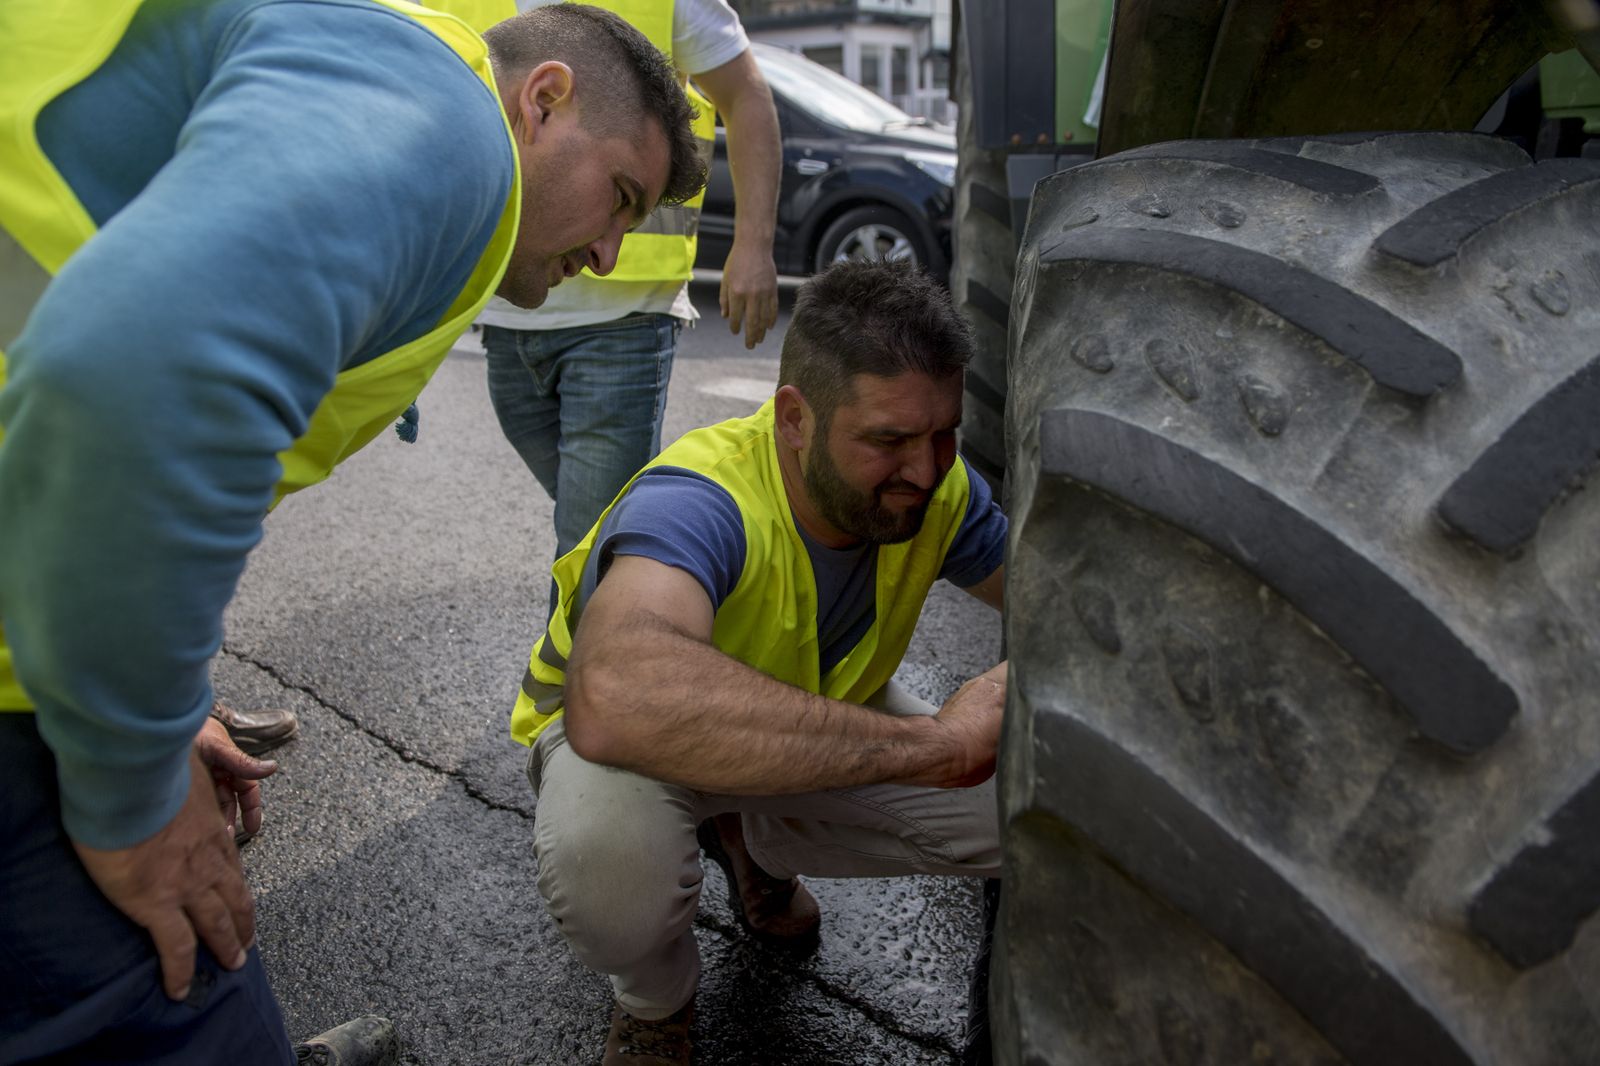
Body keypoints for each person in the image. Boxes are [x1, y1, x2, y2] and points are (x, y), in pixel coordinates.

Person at [0, 2, 704, 1063]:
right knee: (190, 1003)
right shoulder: (449, 124)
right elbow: (137, 377)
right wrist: (132, 784)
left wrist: (157, 688)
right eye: (618, 200)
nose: (608, 253)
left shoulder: (375, 81)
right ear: (543, 100)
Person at [509, 260, 1008, 1065]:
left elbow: (1061, 605)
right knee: (609, 857)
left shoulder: (940, 492)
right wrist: (942, 748)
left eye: (944, 433)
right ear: (794, 419)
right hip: (627, 748)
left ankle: (753, 839)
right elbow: (620, 696)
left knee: (1027, 811)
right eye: (889, 441)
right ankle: (655, 1004)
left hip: (795, 734)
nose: (927, 470)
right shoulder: (699, 499)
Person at [479, 0, 781, 565]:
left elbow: (747, 94)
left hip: (623, 322)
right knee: (604, 530)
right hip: (503, 308)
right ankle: (682, 591)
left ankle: (609, 639)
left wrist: (754, 244)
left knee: (587, 543)